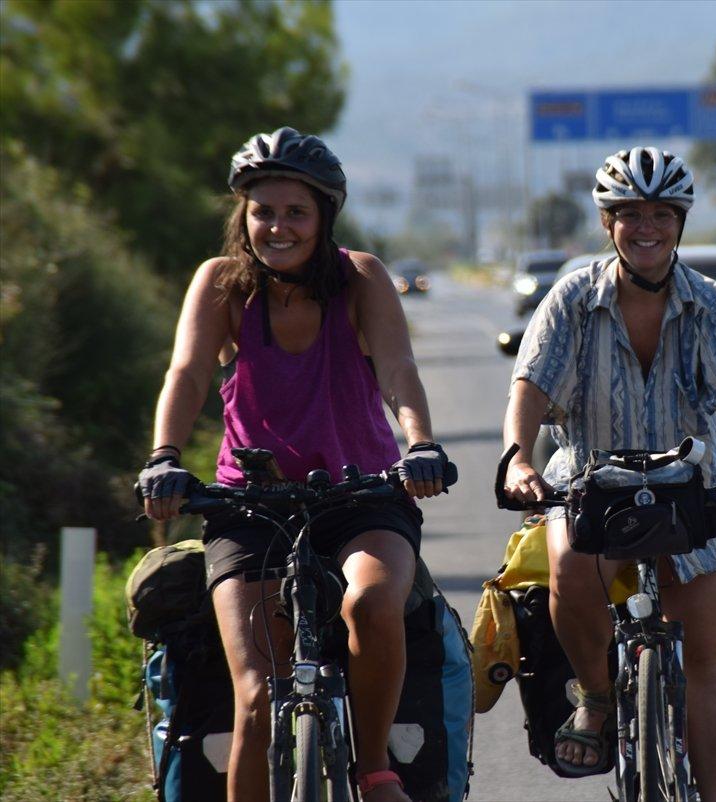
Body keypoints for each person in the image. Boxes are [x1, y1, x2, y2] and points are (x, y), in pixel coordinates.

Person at [138, 127, 454, 802]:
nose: (278, 227)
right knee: (258, 697)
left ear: (324, 217)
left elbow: (397, 369)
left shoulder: (360, 277)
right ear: (243, 215)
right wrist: (164, 457)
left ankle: (374, 769)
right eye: (263, 211)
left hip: (362, 497)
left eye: (296, 213)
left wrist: (421, 443)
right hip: (249, 508)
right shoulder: (221, 284)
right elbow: (187, 373)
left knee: (372, 602)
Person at [501, 146, 716, 802]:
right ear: (608, 223)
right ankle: (597, 697)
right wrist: (517, 458)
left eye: (662, 214)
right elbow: (530, 389)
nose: (646, 227)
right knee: (569, 562)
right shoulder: (572, 298)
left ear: (681, 222)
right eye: (630, 213)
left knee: (710, 668)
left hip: (694, 486)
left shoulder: (712, 303)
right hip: (592, 480)